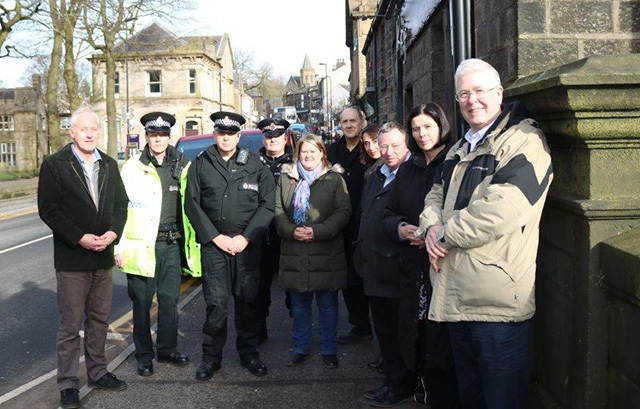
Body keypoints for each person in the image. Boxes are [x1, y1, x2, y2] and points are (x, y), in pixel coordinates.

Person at [416, 59, 553, 408]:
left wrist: (442, 234)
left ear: (499, 93)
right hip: (455, 295)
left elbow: (501, 210)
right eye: (464, 93)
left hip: (497, 302)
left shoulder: (524, 141)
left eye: (480, 91)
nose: (472, 100)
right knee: (471, 397)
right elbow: (435, 193)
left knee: (501, 400)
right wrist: (430, 226)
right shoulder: (462, 145)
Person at [38, 107, 129, 409]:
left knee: (100, 320)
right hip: (72, 259)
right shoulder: (55, 165)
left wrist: (114, 233)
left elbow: (120, 204)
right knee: (70, 326)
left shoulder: (110, 164)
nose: (89, 133)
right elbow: (49, 209)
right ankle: (67, 384)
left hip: (103, 257)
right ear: (72, 132)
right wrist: (79, 237)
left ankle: (98, 372)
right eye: (83, 128)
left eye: (94, 128)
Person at [185, 111, 275, 381]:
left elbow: (268, 204)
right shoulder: (202, 163)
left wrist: (245, 238)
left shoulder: (256, 164)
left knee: (248, 302)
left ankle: (249, 354)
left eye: (231, 134)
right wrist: (215, 237)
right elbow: (192, 203)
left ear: (238, 136)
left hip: (246, 246)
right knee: (216, 304)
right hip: (215, 246)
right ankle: (211, 358)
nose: (226, 138)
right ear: (215, 135)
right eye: (221, 133)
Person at [382, 103, 459, 408]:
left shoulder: (453, 162)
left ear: (441, 126)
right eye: (416, 128)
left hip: (443, 263)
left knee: (440, 336)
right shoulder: (409, 168)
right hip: (411, 267)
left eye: (428, 126)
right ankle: (410, 383)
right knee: (412, 329)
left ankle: (437, 391)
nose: (422, 133)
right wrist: (401, 229)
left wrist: (434, 234)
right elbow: (388, 213)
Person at [114, 112, 201, 378]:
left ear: (169, 136)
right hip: (141, 245)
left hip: (171, 245)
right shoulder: (131, 167)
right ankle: (144, 356)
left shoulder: (184, 164)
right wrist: (118, 246)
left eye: (163, 135)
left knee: (170, 301)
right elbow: (118, 210)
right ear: (147, 137)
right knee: (141, 303)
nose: (159, 139)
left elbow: (193, 205)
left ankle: (167, 349)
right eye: (154, 135)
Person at [274, 134, 351, 369]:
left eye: (313, 151)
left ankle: (329, 349)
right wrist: (291, 231)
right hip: (295, 251)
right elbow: (278, 211)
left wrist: (316, 231)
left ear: (322, 154)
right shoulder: (286, 179)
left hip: (326, 251)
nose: (308, 156)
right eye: (304, 152)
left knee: (328, 305)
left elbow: (343, 212)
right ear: (298, 153)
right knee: (299, 306)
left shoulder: (335, 179)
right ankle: (301, 348)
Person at [355, 122, 414, 407]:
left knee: (397, 334)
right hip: (374, 265)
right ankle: (391, 380)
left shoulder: (413, 175)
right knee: (385, 332)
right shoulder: (376, 174)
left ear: (407, 145)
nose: (389, 152)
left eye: (395, 146)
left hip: (396, 268)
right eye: (384, 146)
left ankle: (399, 385)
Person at [327, 107, 373, 344]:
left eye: (353, 120)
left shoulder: (370, 148)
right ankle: (360, 325)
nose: (348, 125)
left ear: (361, 121)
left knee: (372, 277)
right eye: (344, 121)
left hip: (370, 222)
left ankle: (378, 325)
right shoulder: (332, 151)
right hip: (343, 224)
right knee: (350, 279)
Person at [255, 117, 294, 343]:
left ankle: (299, 336)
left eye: (277, 137)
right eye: (269, 137)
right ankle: (259, 331)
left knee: (294, 290)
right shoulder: (252, 162)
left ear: (284, 138)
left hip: (287, 236)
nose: (273, 141)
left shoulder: (296, 162)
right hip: (261, 236)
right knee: (259, 291)